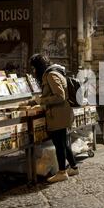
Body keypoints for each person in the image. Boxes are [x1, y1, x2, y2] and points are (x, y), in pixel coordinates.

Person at [25, 53, 79, 183]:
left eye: (33, 68)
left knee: (59, 144)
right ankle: (74, 167)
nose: (33, 71)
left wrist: (41, 100)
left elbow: (59, 96)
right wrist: (34, 102)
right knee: (64, 142)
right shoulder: (55, 72)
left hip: (58, 114)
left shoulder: (51, 75)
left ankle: (62, 172)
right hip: (62, 113)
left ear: (39, 66)